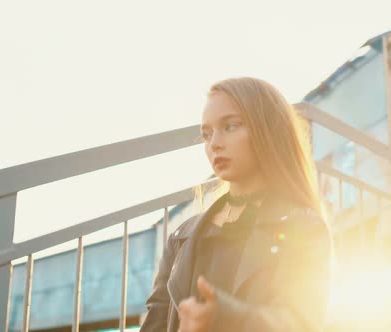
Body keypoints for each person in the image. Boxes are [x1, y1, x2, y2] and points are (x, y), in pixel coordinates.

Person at [140, 77, 333, 332]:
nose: (214, 143)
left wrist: (224, 316)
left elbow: (300, 324)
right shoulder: (181, 237)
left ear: (268, 129)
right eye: (206, 134)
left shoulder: (303, 227)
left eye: (230, 126)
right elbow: (155, 324)